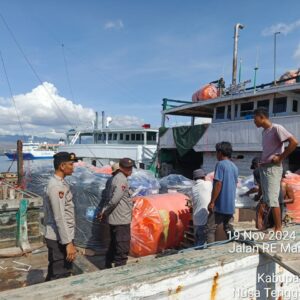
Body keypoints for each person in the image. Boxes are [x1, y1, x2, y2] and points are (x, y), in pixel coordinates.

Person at [253, 108, 298, 232]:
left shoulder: (276, 128)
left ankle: (278, 229)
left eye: (254, 118)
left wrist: (280, 157)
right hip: (265, 167)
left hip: (273, 168)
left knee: (273, 199)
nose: (254, 121)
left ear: (262, 117)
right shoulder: (264, 132)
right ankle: (271, 225)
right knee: (268, 199)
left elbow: (294, 142)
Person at [44, 152, 78, 281]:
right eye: (71, 164)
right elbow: (59, 217)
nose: (73, 167)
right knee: (60, 274)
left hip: (63, 236)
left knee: (55, 271)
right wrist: (68, 243)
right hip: (59, 238)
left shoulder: (61, 183)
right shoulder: (56, 187)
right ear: (62, 166)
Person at [99, 158, 134, 268]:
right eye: (128, 168)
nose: (130, 170)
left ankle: (108, 267)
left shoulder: (115, 178)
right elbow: (114, 199)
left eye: (131, 168)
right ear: (122, 168)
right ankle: (120, 272)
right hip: (121, 219)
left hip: (115, 218)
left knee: (113, 245)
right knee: (122, 248)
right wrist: (105, 211)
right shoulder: (121, 179)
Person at [206, 142, 238, 243]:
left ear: (220, 152)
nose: (216, 155)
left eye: (216, 152)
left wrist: (212, 202)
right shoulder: (234, 167)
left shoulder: (220, 164)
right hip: (230, 205)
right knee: (228, 229)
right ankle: (233, 245)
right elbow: (235, 184)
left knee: (210, 229)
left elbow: (218, 184)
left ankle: (209, 252)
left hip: (220, 205)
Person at [191, 169, 212, 247]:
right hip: (204, 220)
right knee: (201, 244)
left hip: (196, 220)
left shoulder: (193, 188)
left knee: (197, 241)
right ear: (203, 177)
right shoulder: (208, 184)